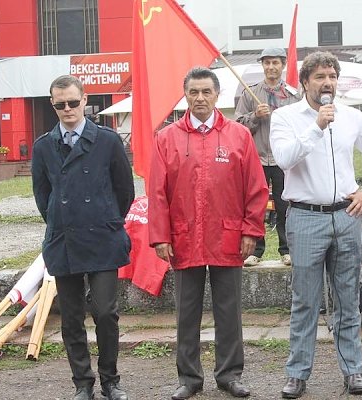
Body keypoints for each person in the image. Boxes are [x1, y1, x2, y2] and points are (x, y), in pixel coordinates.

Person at [270, 51, 362, 399]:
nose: (328, 83)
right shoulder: (286, 117)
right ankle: (297, 373)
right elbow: (284, 159)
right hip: (305, 216)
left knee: (348, 299)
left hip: (346, 215)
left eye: (332, 76)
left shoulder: (352, 117)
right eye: (320, 77)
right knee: (305, 301)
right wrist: (317, 126)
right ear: (305, 82)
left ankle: (353, 371)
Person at [148, 67, 268, 400]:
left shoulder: (238, 136)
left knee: (228, 310)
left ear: (217, 95)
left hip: (228, 237)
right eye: (193, 92)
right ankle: (189, 378)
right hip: (184, 238)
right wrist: (160, 236)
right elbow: (157, 192)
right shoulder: (167, 138)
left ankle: (229, 374)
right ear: (185, 95)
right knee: (186, 312)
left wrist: (251, 231)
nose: (200, 98)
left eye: (206, 92)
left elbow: (255, 188)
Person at [32, 75, 134, 400]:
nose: (68, 109)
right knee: (72, 317)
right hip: (65, 241)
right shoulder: (44, 146)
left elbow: (125, 191)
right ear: (53, 105)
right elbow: (42, 196)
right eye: (60, 104)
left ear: (85, 100)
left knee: (105, 311)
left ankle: (111, 381)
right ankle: (82, 383)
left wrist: (106, 219)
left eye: (73, 102)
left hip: (102, 236)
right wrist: (62, 224)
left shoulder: (108, 140)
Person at [235, 47, 300, 267]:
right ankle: (257, 250)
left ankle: (286, 248)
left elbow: (301, 125)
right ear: (262, 65)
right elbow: (237, 126)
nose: (271, 67)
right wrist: (255, 116)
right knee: (257, 205)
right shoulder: (249, 93)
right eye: (267, 63)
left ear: (283, 65)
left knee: (285, 204)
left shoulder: (292, 96)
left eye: (275, 63)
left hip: (284, 159)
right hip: (258, 159)